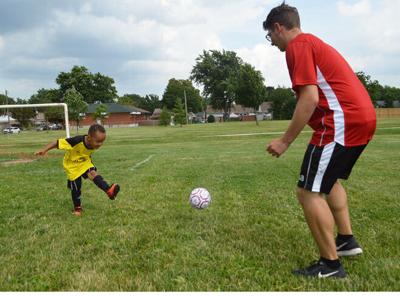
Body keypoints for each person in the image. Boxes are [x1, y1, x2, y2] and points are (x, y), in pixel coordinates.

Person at [263, 2, 376, 278]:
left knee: (308, 192)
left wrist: (285, 141)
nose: (272, 42)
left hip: (340, 121)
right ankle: (346, 241)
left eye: (270, 36)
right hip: (361, 118)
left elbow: (309, 98)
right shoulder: (314, 43)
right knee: (328, 180)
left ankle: (331, 265)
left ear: (279, 27)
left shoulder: (298, 46)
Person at [35, 124, 120, 216]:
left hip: (84, 162)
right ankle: (77, 209)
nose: (100, 144)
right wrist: (44, 150)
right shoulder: (76, 141)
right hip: (72, 165)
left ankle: (109, 191)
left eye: (102, 141)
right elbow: (57, 142)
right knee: (76, 186)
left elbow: (87, 151)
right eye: (98, 141)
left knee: (92, 173)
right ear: (89, 137)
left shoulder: (93, 143)